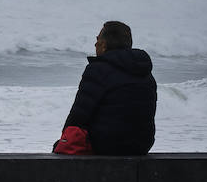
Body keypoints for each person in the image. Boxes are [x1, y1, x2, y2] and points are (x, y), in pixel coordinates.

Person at [56, 20, 157, 155]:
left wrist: (63, 140)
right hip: (142, 145)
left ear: (103, 45)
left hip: (107, 145)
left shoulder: (98, 69)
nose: (95, 43)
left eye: (97, 39)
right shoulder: (146, 73)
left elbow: (79, 115)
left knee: (62, 146)